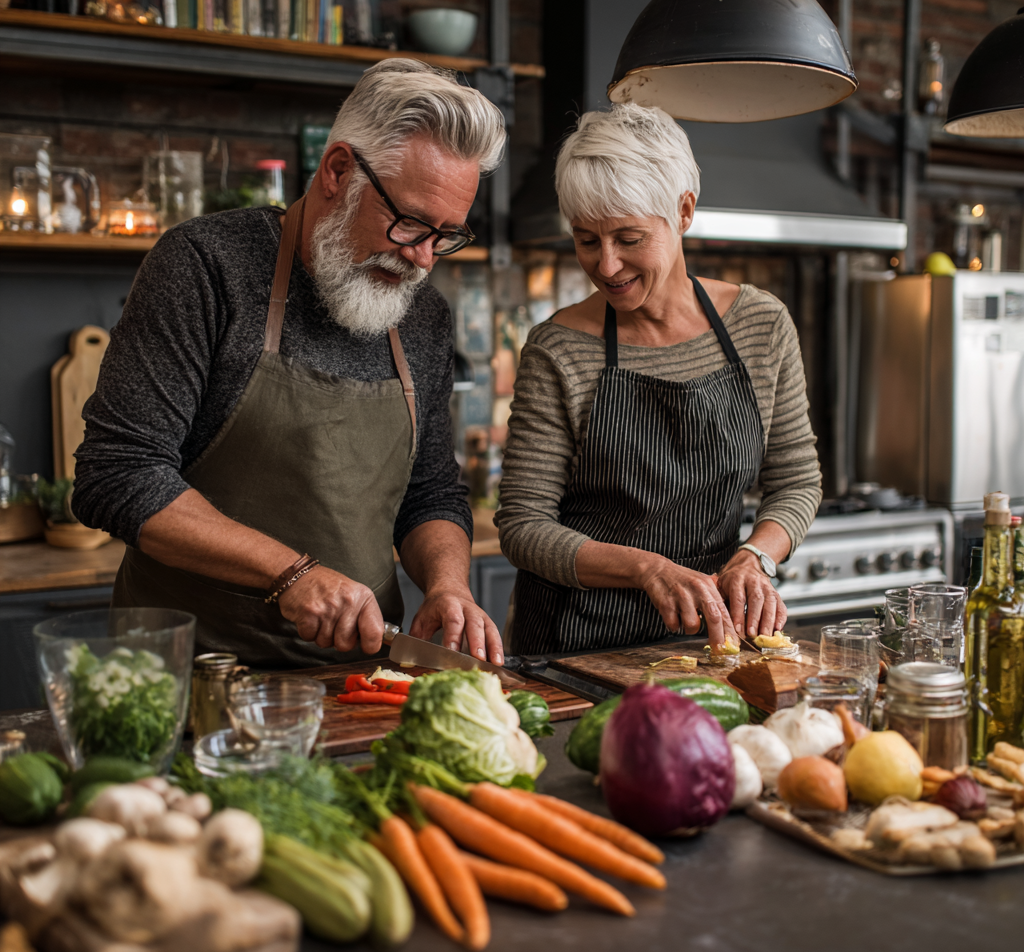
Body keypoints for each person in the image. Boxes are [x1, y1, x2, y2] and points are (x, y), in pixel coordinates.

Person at [73, 59, 507, 668]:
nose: (425, 258)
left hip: (359, 679)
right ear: (337, 171)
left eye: (446, 235)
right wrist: (292, 574)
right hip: (195, 676)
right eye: (410, 223)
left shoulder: (423, 315)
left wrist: (448, 586)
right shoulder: (206, 266)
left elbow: (430, 491)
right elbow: (118, 475)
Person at [496, 104, 822, 656]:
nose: (605, 266)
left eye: (628, 238)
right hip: (576, 644)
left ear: (684, 211)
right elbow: (524, 526)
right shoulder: (559, 349)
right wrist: (647, 568)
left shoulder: (761, 324)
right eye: (585, 239)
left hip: (708, 638)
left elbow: (796, 482)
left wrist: (755, 556)